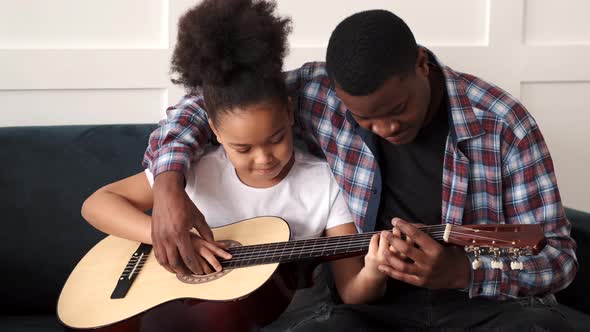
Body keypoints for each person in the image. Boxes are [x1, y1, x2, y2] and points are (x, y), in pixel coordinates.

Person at [143, 7, 577, 332]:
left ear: (422, 64)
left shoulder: (502, 123)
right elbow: (210, 103)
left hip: (481, 306)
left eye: (397, 109)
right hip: (363, 307)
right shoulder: (316, 92)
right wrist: (168, 189)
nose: (386, 128)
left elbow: (556, 259)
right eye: (365, 119)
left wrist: (461, 272)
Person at [81, 0, 391, 329]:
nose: (263, 158)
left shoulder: (326, 185)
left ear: (289, 114)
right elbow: (96, 205)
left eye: (276, 139)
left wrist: (375, 269)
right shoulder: (197, 170)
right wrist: (170, 238)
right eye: (242, 148)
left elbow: (352, 291)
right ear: (213, 130)